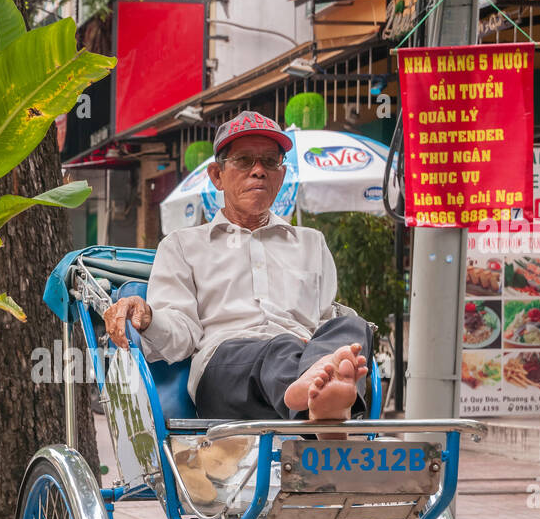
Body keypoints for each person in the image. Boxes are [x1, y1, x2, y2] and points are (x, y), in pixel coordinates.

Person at [103, 110, 371, 424]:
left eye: (270, 162)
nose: (258, 171)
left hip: (301, 359)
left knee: (353, 327)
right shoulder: (182, 245)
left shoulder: (311, 242)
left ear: (281, 176)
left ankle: (319, 408)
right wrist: (149, 318)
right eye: (244, 161)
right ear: (217, 175)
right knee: (281, 346)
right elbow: (181, 336)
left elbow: (325, 320)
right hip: (225, 371)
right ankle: (319, 405)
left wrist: (330, 350)